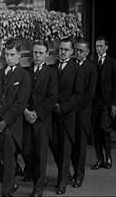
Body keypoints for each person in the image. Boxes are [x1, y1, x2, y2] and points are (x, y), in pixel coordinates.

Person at [0, 38, 31, 197]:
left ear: (19, 55)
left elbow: (20, 104)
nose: (9, 58)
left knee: (9, 160)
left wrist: (4, 122)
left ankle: (7, 192)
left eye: (12, 55)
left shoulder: (24, 76)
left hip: (10, 125)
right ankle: (10, 181)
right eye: (6, 54)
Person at [22, 39, 57, 197]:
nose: (37, 56)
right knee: (27, 151)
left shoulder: (51, 73)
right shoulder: (25, 71)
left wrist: (37, 114)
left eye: (41, 53)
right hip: (26, 117)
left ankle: (38, 188)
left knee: (41, 154)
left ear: (47, 54)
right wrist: (26, 112)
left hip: (42, 120)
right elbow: (20, 95)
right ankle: (38, 178)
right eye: (35, 52)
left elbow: (51, 98)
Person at [52, 37, 83, 195]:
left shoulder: (76, 69)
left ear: (72, 52)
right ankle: (65, 175)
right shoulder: (53, 66)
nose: (62, 52)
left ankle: (61, 184)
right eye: (61, 49)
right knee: (55, 147)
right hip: (52, 116)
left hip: (67, 115)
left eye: (66, 50)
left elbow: (78, 94)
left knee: (65, 150)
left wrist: (63, 108)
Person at [70, 39, 97, 188]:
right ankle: (74, 172)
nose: (78, 53)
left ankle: (79, 175)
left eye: (81, 51)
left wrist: (73, 107)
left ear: (87, 52)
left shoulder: (91, 68)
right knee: (71, 145)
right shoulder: (71, 65)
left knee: (80, 147)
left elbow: (90, 94)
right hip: (70, 113)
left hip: (82, 113)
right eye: (76, 50)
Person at [91, 36, 116, 170]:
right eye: (97, 46)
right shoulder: (92, 62)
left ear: (106, 47)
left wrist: (114, 104)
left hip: (106, 102)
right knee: (96, 131)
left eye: (101, 46)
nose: (98, 49)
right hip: (94, 103)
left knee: (104, 129)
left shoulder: (112, 62)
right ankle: (99, 159)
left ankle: (108, 156)